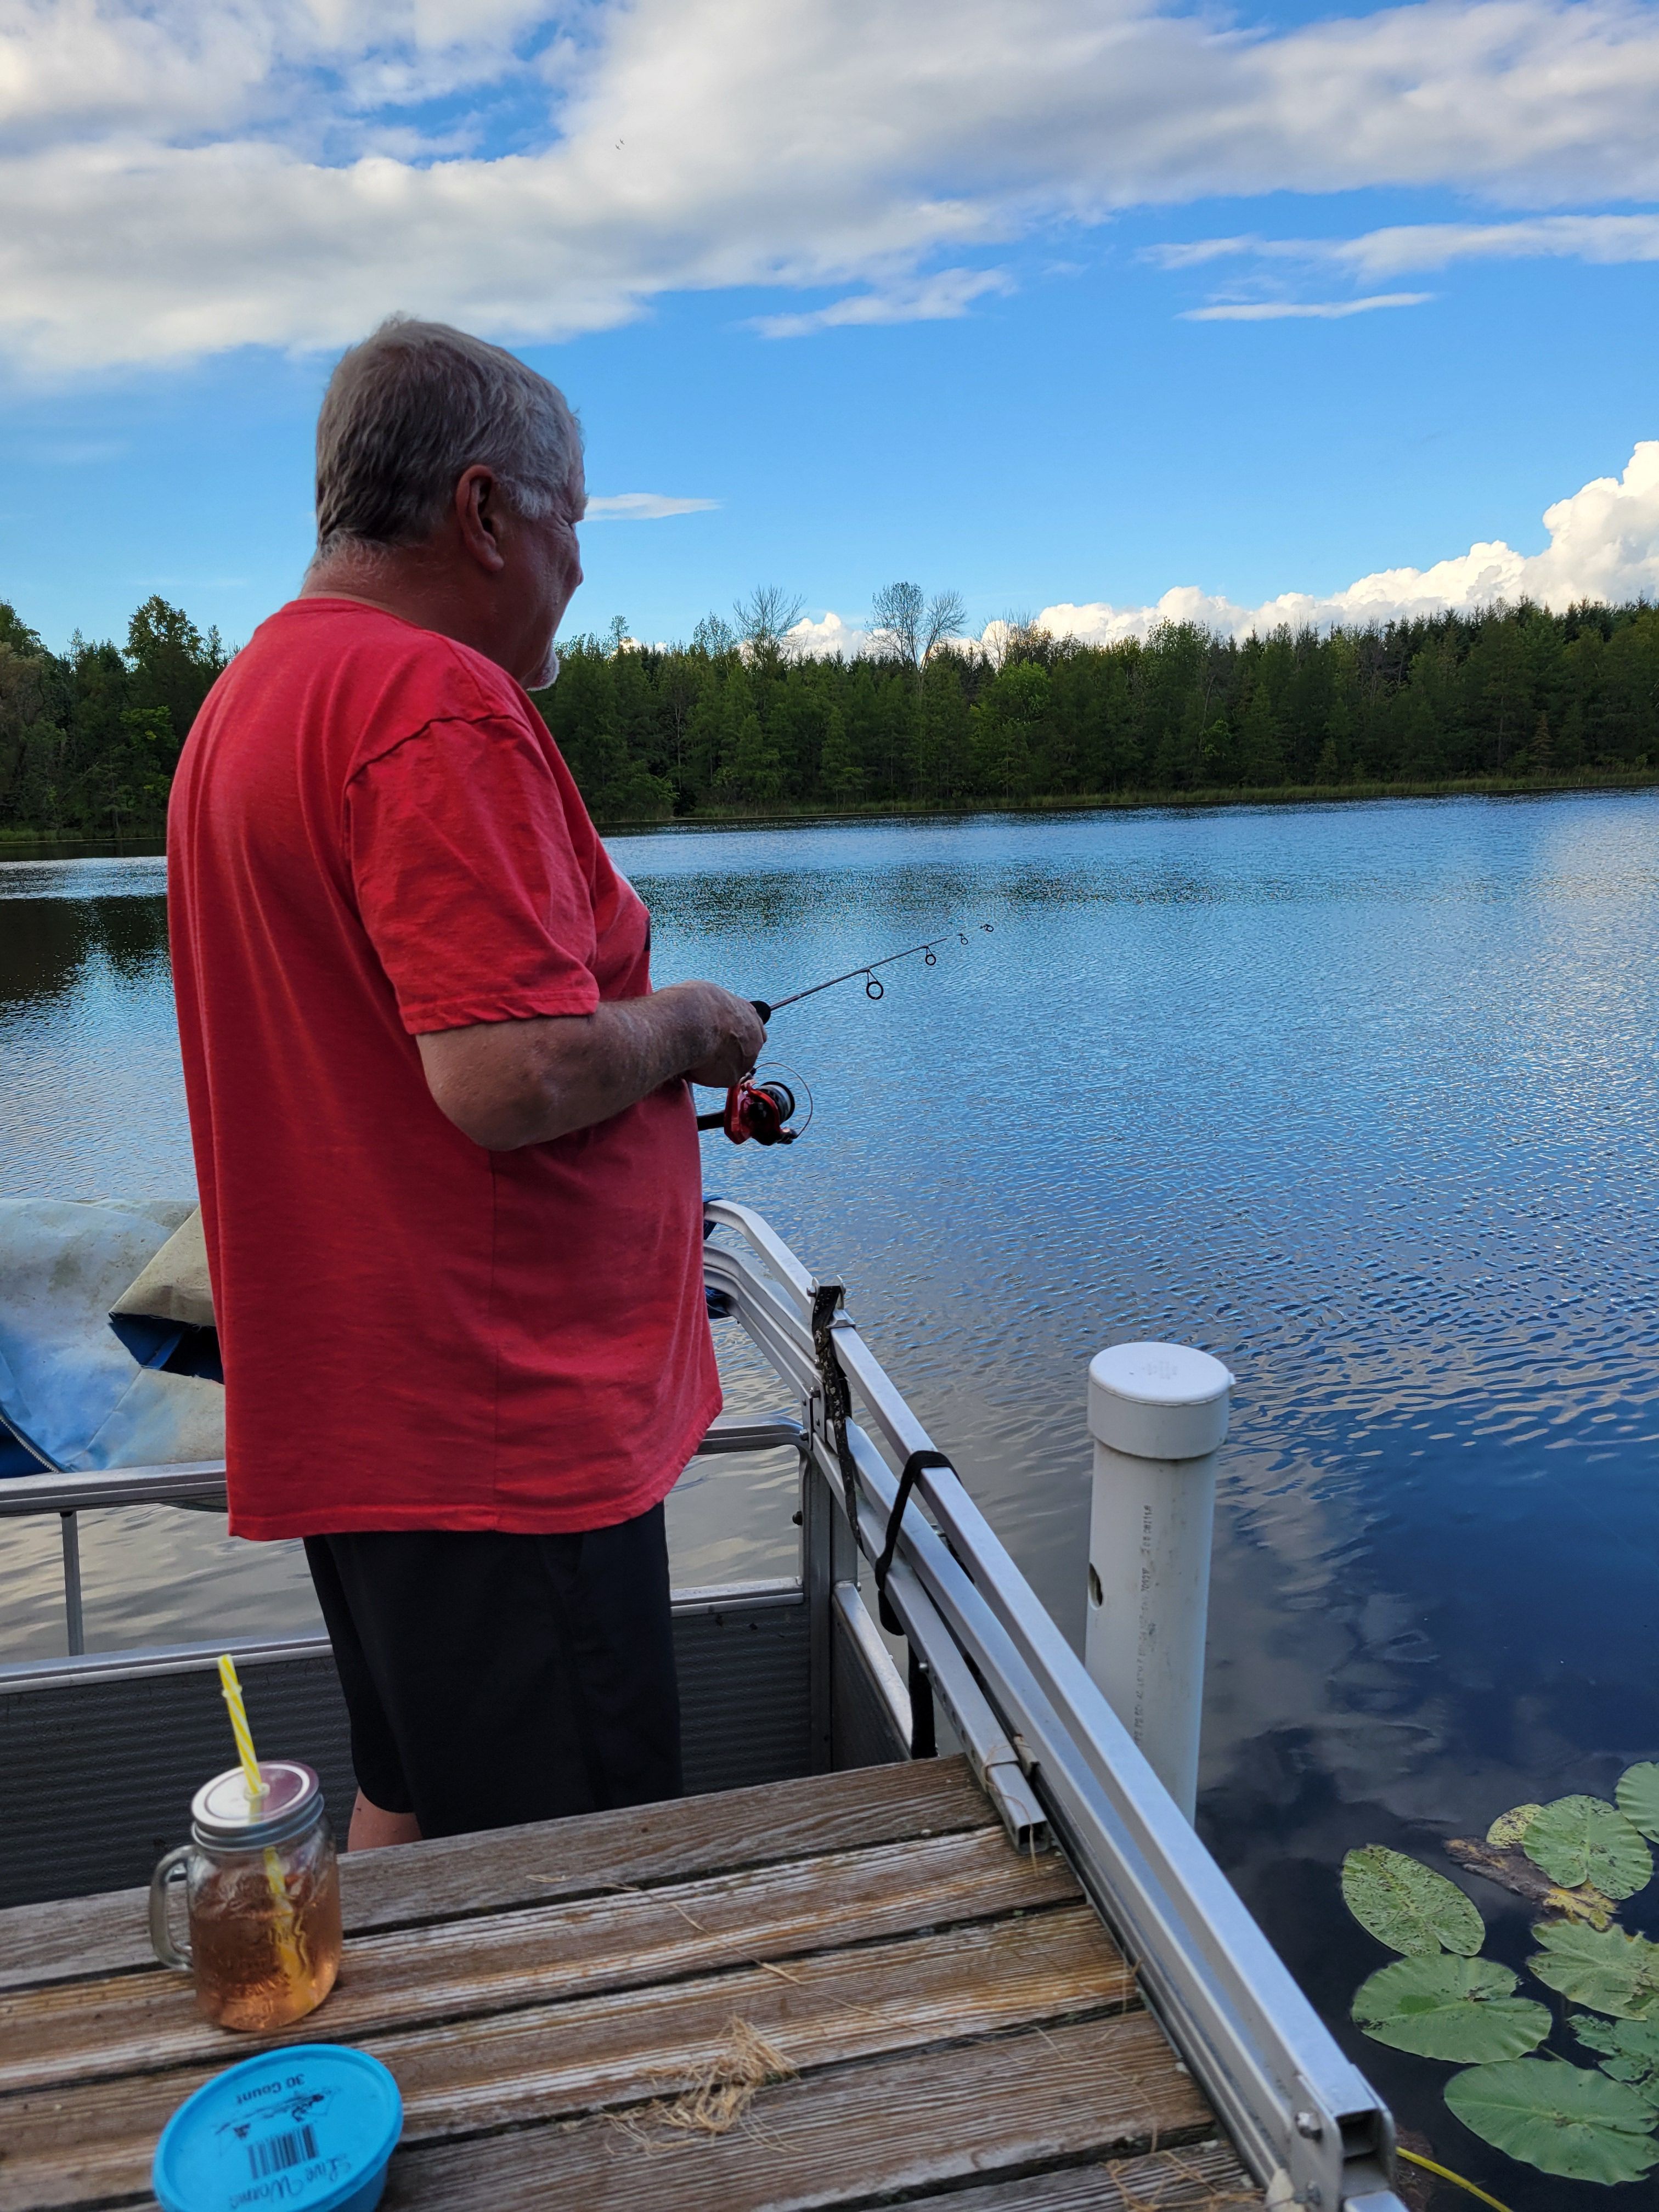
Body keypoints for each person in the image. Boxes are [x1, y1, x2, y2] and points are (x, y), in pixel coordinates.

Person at [168, 317, 766, 1849]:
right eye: (574, 523)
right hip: (500, 1436)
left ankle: (399, 2086)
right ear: (486, 513)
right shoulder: (428, 704)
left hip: (371, 1413)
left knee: (415, 1797)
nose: (582, 564)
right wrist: (691, 1023)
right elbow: (509, 1076)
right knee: (580, 1878)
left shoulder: (253, 702)